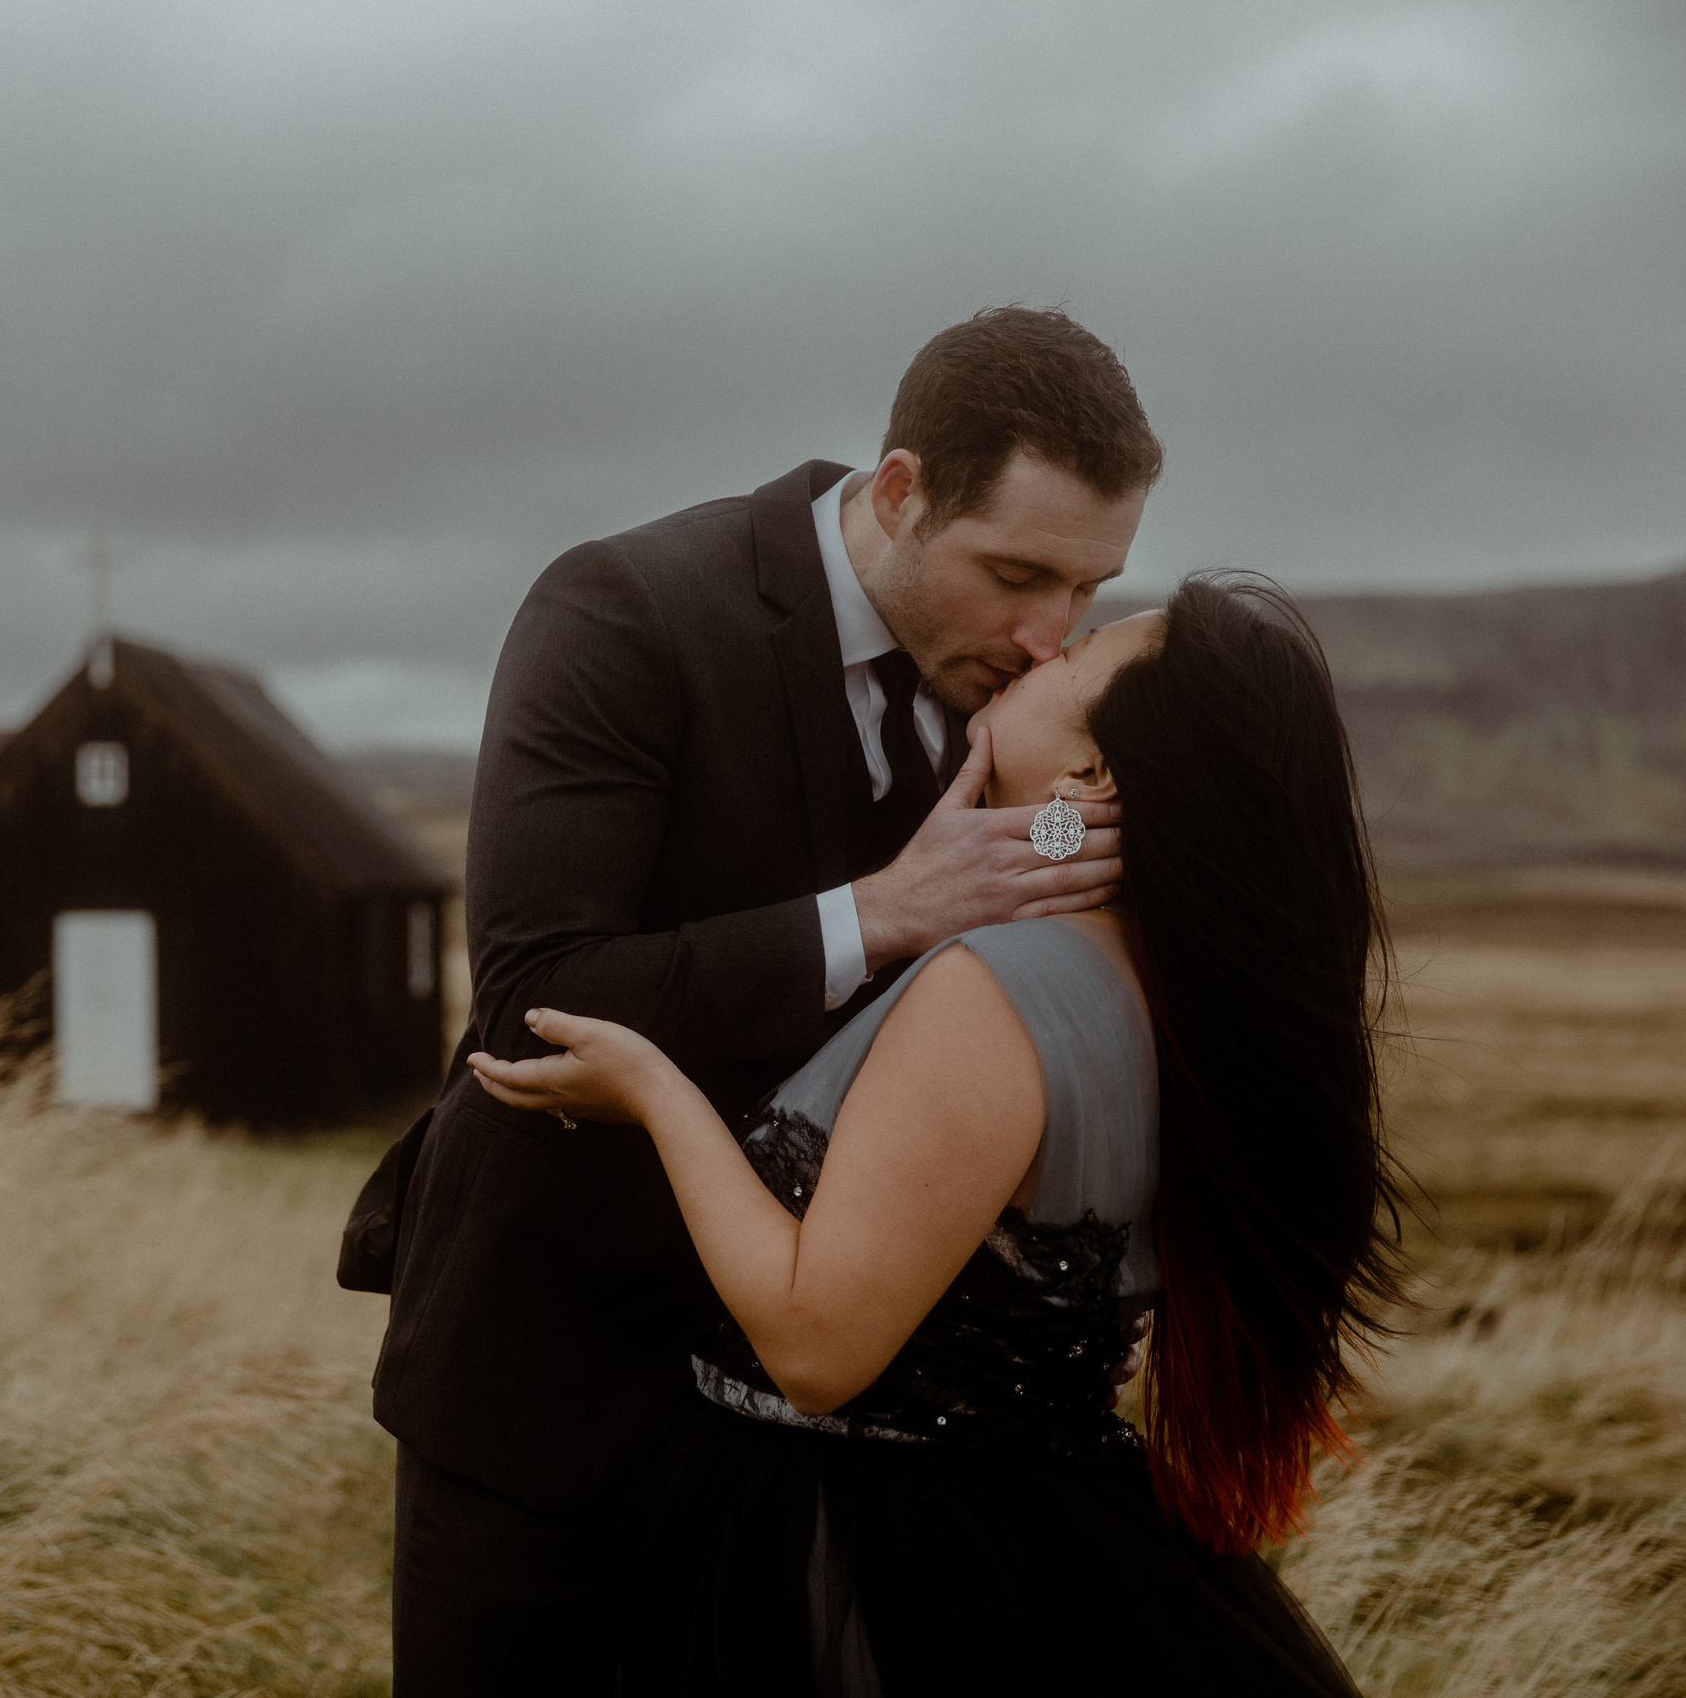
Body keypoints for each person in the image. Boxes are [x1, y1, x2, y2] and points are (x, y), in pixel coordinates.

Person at [345, 308, 1164, 1692]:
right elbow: (533, 994)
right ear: (901, 493)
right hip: (556, 1375)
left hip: (825, 1429)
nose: (1048, 638)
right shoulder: (623, 611)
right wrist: (885, 912)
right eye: (1018, 573)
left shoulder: (1020, 705)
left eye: (1089, 592)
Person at [469, 576, 1402, 1694]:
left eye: (1083, 649)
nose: (1046, 643)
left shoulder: (999, 989)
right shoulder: (1149, 981)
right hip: (1026, 1540)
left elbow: (815, 1350)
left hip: (855, 1546)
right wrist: (1019, 831)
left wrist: (655, 1090)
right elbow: (1064, 842)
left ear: (1098, 773)